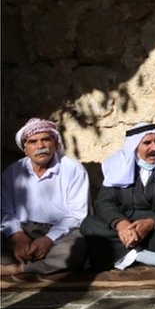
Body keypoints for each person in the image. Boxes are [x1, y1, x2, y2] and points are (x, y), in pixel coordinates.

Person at [81, 123, 155, 271]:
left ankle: (124, 254)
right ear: (134, 146)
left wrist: (151, 222)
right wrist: (121, 224)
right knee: (89, 223)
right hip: (126, 228)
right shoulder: (117, 164)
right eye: (147, 143)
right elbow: (104, 202)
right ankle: (141, 256)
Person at [1, 118, 89, 275]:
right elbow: (5, 211)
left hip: (61, 232)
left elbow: (76, 214)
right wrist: (18, 237)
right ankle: (37, 262)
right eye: (33, 142)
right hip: (22, 229)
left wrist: (49, 239)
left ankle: (17, 268)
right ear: (25, 149)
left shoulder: (73, 169)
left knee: (76, 249)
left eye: (46, 140)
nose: (40, 146)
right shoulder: (12, 172)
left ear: (55, 143)